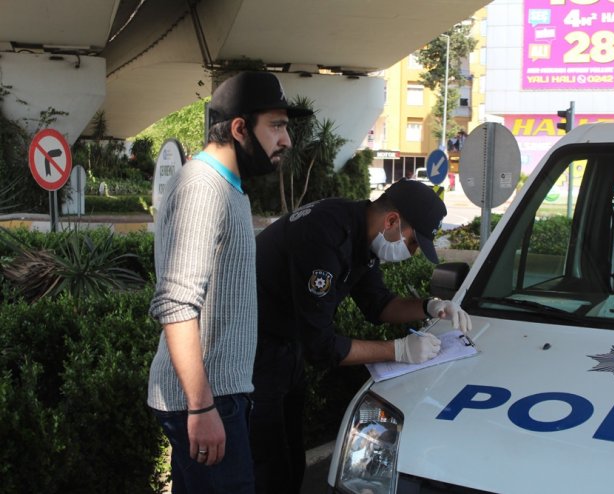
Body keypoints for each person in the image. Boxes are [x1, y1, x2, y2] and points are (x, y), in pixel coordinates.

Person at [250, 178, 472, 493]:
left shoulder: (362, 234)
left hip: (286, 346)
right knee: (268, 463)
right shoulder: (325, 237)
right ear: (392, 221)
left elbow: (378, 305)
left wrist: (430, 306)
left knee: (290, 456)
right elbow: (322, 346)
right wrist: (398, 350)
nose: (412, 253)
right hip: (254, 350)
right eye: (412, 242)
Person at [147, 71, 311, 493]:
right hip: (204, 400)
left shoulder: (229, 188)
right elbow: (176, 305)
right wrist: (201, 407)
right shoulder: (203, 187)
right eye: (276, 125)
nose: (286, 139)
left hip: (219, 396)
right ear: (239, 128)